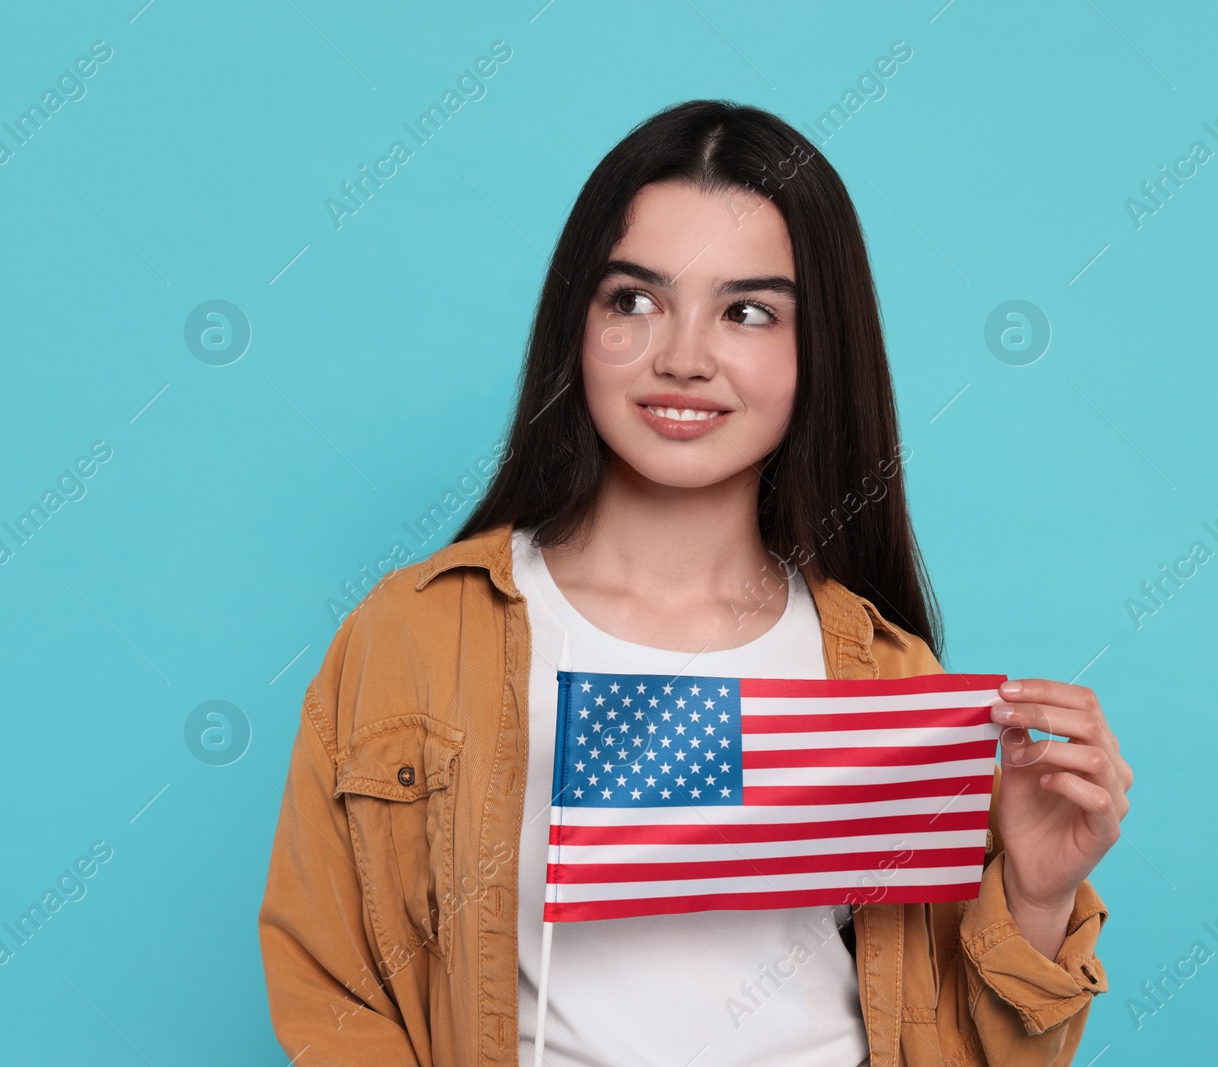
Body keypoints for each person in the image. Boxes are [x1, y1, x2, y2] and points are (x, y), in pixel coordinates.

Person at [258, 99, 1130, 1067]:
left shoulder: (888, 677)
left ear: (815, 350)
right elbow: (328, 983)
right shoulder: (407, 639)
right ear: (575, 324)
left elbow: (963, 1049)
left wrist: (1039, 898)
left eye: (747, 311)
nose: (681, 356)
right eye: (632, 300)